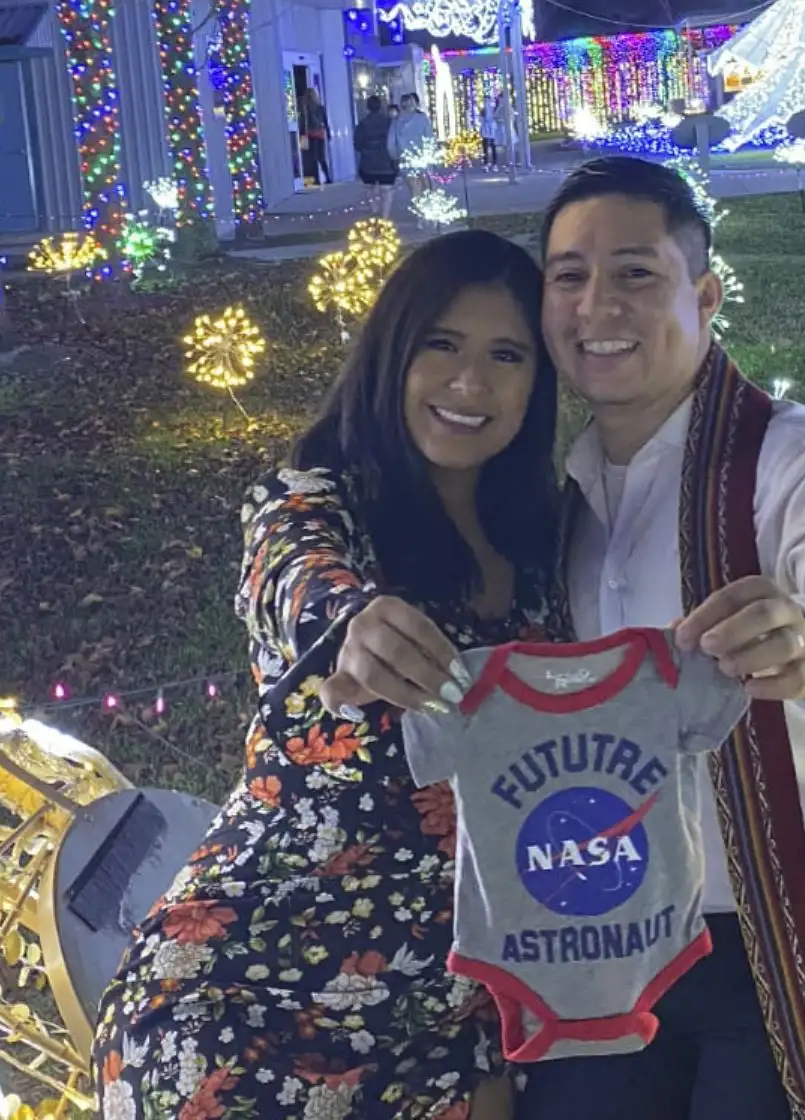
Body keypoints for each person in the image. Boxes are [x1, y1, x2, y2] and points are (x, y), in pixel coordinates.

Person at [516, 156, 805, 1120]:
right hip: (628, 954)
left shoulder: (799, 459)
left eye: (636, 273)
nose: (598, 305)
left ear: (706, 295)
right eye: (569, 276)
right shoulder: (567, 505)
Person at [95, 230, 565, 1120]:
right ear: (392, 352)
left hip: (465, 992)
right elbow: (295, 576)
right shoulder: (313, 501)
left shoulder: (546, 538)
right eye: (442, 345)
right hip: (250, 985)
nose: (471, 383)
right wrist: (350, 622)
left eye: (506, 355)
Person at [390, 93, 437, 214]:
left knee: (414, 187)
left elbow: (390, 143)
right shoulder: (422, 119)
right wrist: (432, 153)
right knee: (427, 185)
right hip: (423, 157)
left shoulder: (396, 122)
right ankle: (429, 210)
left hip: (407, 158)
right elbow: (430, 138)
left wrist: (395, 156)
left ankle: (419, 213)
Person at [354, 94, 398, 218]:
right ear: (381, 106)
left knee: (369, 188)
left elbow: (357, 144)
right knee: (386, 191)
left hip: (368, 163)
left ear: (367, 107)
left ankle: (374, 208)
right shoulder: (389, 123)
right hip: (386, 162)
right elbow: (394, 141)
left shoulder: (362, 124)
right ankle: (385, 216)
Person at [301, 87, 333, 186]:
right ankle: (326, 177)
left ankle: (317, 179)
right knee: (320, 157)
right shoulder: (319, 108)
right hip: (318, 134)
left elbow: (304, 123)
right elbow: (325, 121)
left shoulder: (306, 108)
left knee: (313, 158)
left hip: (311, 134)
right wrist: (328, 133)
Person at [480, 92, 504, 169]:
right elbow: (481, 120)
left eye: (487, 100)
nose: (486, 102)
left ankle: (494, 163)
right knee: (485, 147)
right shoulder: (483, 110)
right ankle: (486, 163)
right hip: (485, 129)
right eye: (485, 100)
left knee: (493, 146)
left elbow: (495, 117)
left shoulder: (493, 109)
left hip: (492, 129)